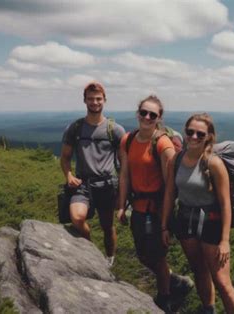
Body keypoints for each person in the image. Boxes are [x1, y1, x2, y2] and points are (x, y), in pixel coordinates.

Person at [117, 95, 193, 312]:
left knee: (157, 257)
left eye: (153, 114)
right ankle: (174, 281)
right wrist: (121, 205)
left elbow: (170, 187)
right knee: (143, 255)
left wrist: (165, 222)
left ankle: (165, 299)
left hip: (157, 209)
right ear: (137, 113)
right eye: (144, 113)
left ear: (159, 118)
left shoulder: (163, 144)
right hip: (138, 208)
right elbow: (124, 175)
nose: (147, 117)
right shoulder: (128, 140)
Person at [161, 113, 234, 314]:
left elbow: (225, 203)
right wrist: (164, 225)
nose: (194, 137)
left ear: (208, 136)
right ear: (185, 132)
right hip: (186, 221)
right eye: (190, 132)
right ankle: (208, 310)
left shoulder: (213, 163)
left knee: (223, 282)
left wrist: (225, 240)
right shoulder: (176, 159)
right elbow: (170, 193)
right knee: (199, 271)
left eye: (200, 133)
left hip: (211, 223)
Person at [60, 81, 125, 267]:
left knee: (107, 226)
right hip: (82, 184)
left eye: (98, 98)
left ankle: (110, 260)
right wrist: (69, 176)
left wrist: (123, 190)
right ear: (84, 100)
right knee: (77, 218)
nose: (95, 102)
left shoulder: (115, 130)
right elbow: (65, 157)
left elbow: (123, 164)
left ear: (104, 100)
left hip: (107, 185)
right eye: (90, 99)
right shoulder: (75, 128)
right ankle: (92, 253)